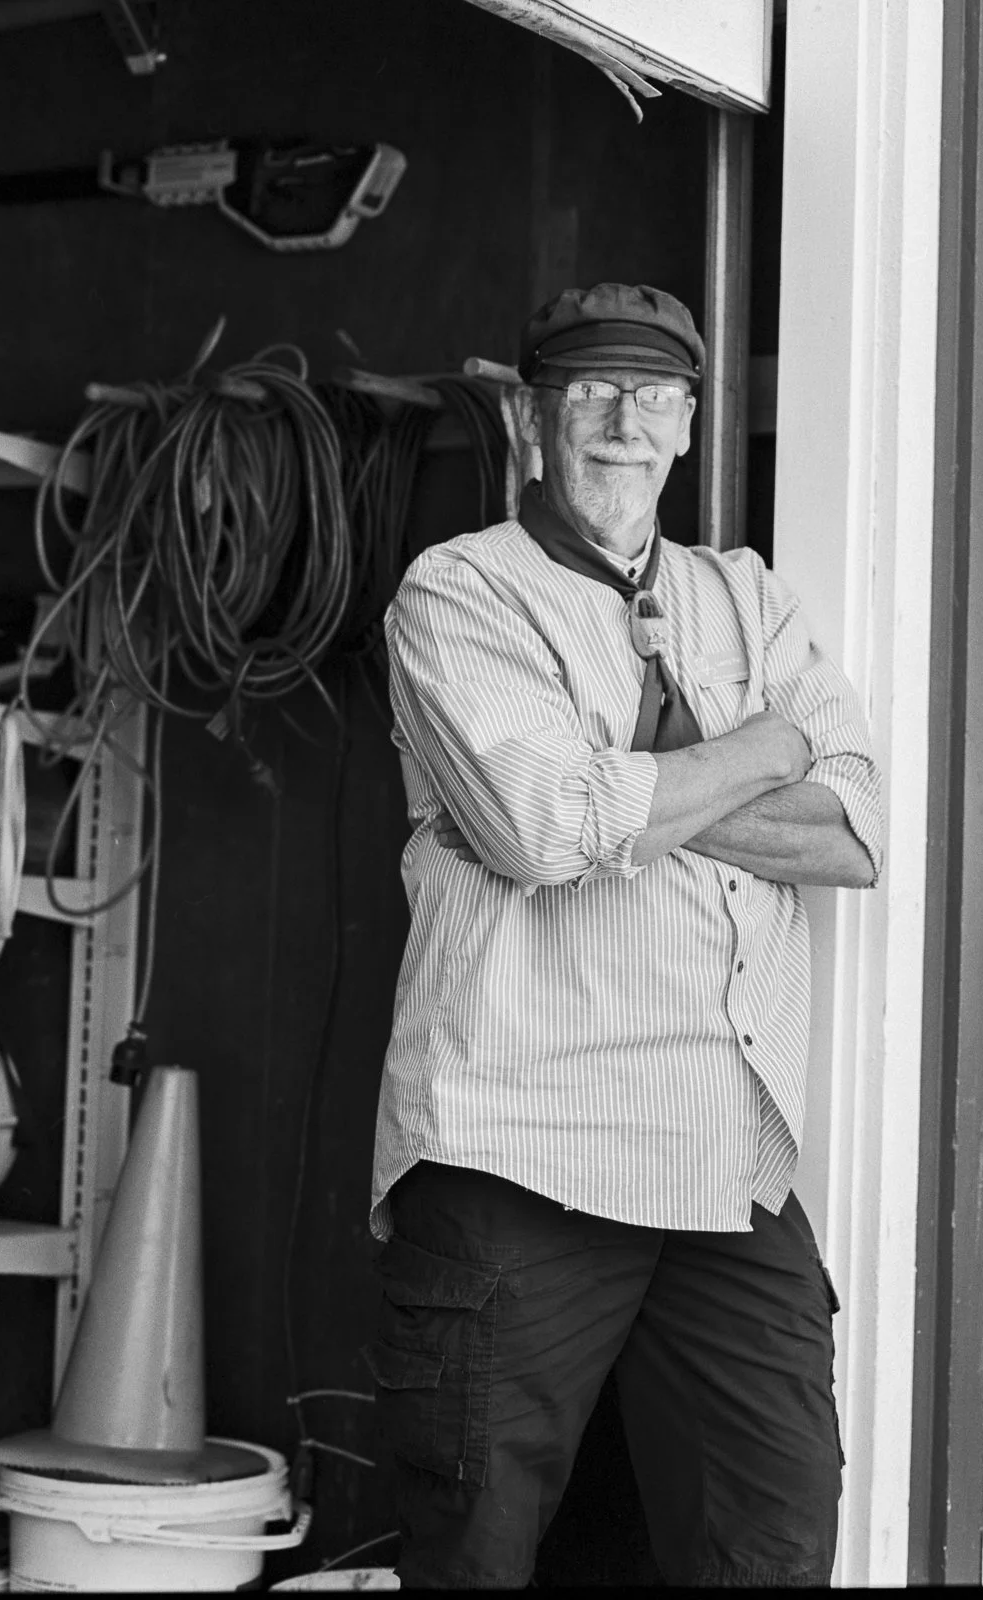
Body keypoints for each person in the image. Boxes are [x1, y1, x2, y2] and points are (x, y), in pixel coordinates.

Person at [368, 281, 885, 1587]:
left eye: (654, 393)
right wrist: (763, 748)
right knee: (474, 1543)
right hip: (520, 1146)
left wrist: (640, 784)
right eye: (590, 388)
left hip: (725, 1154)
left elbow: (859, 833)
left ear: (692, 423)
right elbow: (541, 829)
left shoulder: (746, 599)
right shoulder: (461, 595)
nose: (622, 419)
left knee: (772, 1534)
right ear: (534, 417)